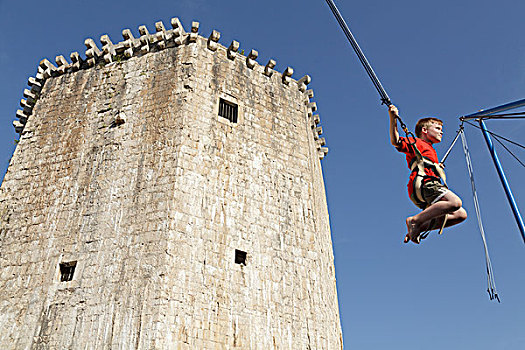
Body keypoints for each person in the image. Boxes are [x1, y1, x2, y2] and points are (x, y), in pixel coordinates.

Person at [388, 104, 467, 243]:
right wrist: (393, 118)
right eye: (437, 128)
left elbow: (426, 162)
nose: (441, 132)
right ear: (424, 130)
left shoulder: (430, 150)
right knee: (455, 202)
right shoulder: (416, 142)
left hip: (429, 185)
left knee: (461, 214)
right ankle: (415, 221)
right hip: (425, 184)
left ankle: (420, 227)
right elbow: (396, 141)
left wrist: (436, 166)